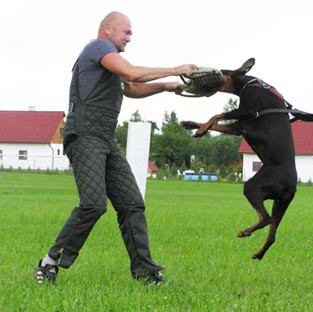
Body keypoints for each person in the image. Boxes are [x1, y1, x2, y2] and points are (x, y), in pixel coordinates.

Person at [34, 11, 197, 285]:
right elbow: (130, 72)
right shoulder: (99, 47)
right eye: (127, 32)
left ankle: (145, 272)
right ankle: (49, 262)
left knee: (132, 203)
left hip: (105, 137)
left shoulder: (110, 62)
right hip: (85, 135)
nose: (130, 38)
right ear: (107, 29)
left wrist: (167, 87)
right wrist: (175, 69)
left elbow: (131, 86)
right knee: (93, 205)